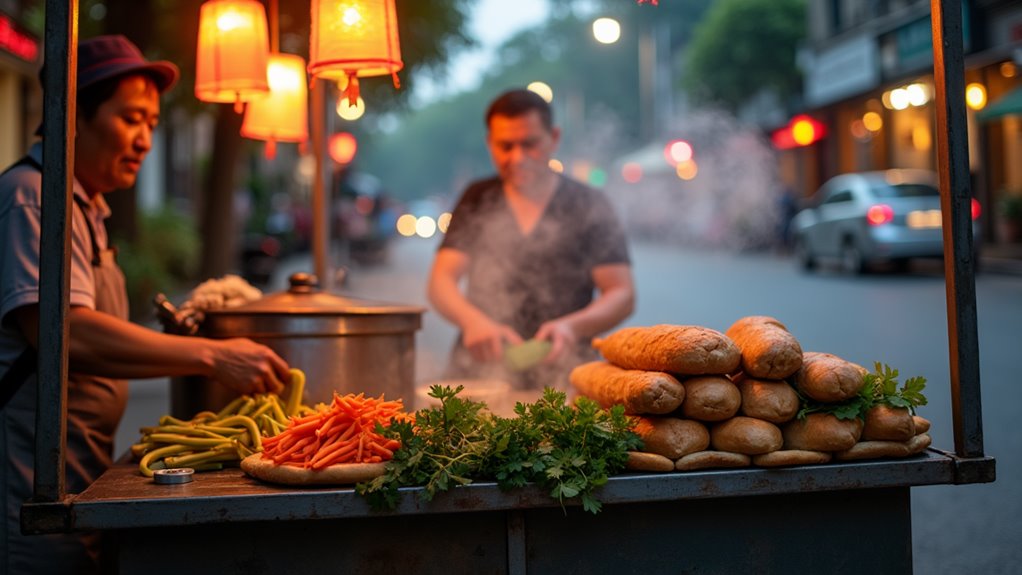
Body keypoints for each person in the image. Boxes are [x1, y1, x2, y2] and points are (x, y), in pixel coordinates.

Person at [0, 35, 290, 574]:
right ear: (73, 117)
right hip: (25, 493)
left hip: (79, 479)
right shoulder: (31, 198)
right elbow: (65, 333)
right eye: (131, 118)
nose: (144, 140)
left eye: (152, 124)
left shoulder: (88, 209)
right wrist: (212, 355)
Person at [428, 88, 635, 391]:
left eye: (530, 144)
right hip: (478, 373)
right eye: (505, 146)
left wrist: (572, 326)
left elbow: (621, 293)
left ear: (554, 138)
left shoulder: (589, 204)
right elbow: (441, 281)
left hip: (567, 375)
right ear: (489, 143)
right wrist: (473, 321)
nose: (518, 157)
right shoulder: (478, 197)